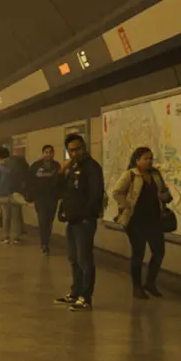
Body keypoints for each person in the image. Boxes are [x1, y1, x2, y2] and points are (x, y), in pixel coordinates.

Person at [112, 147, 172, 299]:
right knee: (138, 254)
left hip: (154, 219)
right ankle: (137, 287)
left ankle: (150, 283)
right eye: (145, 158)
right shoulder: (130, 175)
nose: (149, 161)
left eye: (151, 158)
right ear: (137, 160)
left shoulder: (155, 175)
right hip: (136, 221)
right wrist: (125, 205)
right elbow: (117, 192)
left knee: (159, 252)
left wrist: (165, 196)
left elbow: (165, 191)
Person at [55, 133, 104, 312]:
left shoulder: (92, 168)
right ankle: (75, 292)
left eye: (78, 149)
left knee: (85, 259)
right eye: (71, 151)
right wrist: (61, 172)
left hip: (84, 221)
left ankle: (86, 297)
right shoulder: (71, 168)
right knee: (73, 258)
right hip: (72, 220)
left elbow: (96, 194)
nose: (75, 153)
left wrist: (86, 214)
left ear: (84, 147)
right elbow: (60, 190)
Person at [28, 145, 61, 256]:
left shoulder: (56, 166)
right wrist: (31, 195)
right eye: (46, 152)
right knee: (42, 221)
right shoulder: (36, 166)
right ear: (43, 153)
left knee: (49, 220)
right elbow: (30, 180)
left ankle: (46, 240)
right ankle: (44, 244)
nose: (48, 154)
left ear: (53, 154)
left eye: (50, 152)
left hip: (52, 198)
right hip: (40, 198)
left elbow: (60, 180)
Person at [0, 147, 25, 245]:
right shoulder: (16, 164)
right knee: (16, 217)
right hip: (15, 193)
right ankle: (16, 238)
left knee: (6, 217)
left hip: (3, 194)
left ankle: (6, 237)